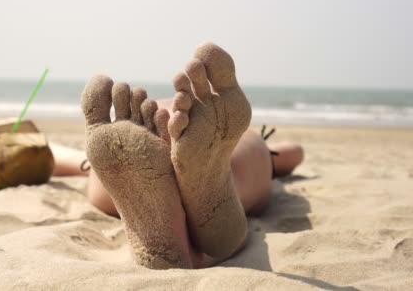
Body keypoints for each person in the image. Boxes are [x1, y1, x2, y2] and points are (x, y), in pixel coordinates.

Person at [50, 42, 304, 269]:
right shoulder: (207, 116)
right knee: (244, 157)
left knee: (100, 169)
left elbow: (58, 157)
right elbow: (293, 153)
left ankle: (174, 237)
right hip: (194, 133)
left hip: (144, 129)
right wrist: (281, 155)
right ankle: (220, 186)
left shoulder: (139, 117)